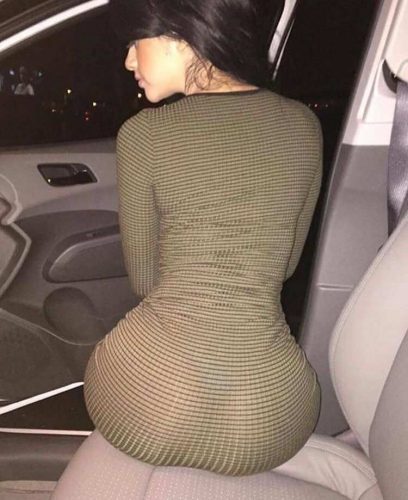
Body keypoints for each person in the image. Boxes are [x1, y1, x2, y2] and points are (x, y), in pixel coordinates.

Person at [52, 0, 322, 496]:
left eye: (136, 42)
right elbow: (284, 266)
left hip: (140, 406)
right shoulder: (303, 125)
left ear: (181, 37)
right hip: (272, 419)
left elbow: (146, 281)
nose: (128, 61)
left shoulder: (143, 134)